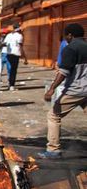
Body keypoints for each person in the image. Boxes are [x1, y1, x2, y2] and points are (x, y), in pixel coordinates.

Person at [36, 23, 86, 159]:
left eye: (66, 36)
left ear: (70, 35)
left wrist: (51, 89)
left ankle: (53, 150)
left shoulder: (71, 49)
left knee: (53, 115)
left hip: (76, 91)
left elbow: (63, 72)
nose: (66, 38)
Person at [2, 24, 27, 90]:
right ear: (19, 29)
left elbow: (4, 43)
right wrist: (25, 57)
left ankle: (10, 84)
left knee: (10, 69)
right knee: (13, 69)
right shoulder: (19, 36)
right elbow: (21, 46)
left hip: (8, 53)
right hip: (16, 54)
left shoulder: (9, 35)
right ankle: (11, 85)